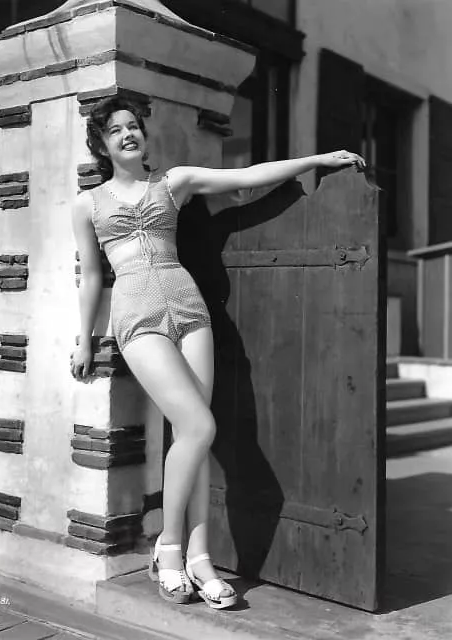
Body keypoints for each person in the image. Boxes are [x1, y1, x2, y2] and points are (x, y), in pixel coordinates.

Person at [70, 96, 365, 609]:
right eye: (115, 130)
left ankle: (199, 558)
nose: (128, 134)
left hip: (190, 309)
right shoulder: (86, 204)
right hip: (137, 316)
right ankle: (167, 548)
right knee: (199, 427)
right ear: (101, 143)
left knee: (197, 436)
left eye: (133, 126)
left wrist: (316, 160)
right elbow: (93, 276)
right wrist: (85, 339)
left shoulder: (174, 182)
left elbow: (246, 177)